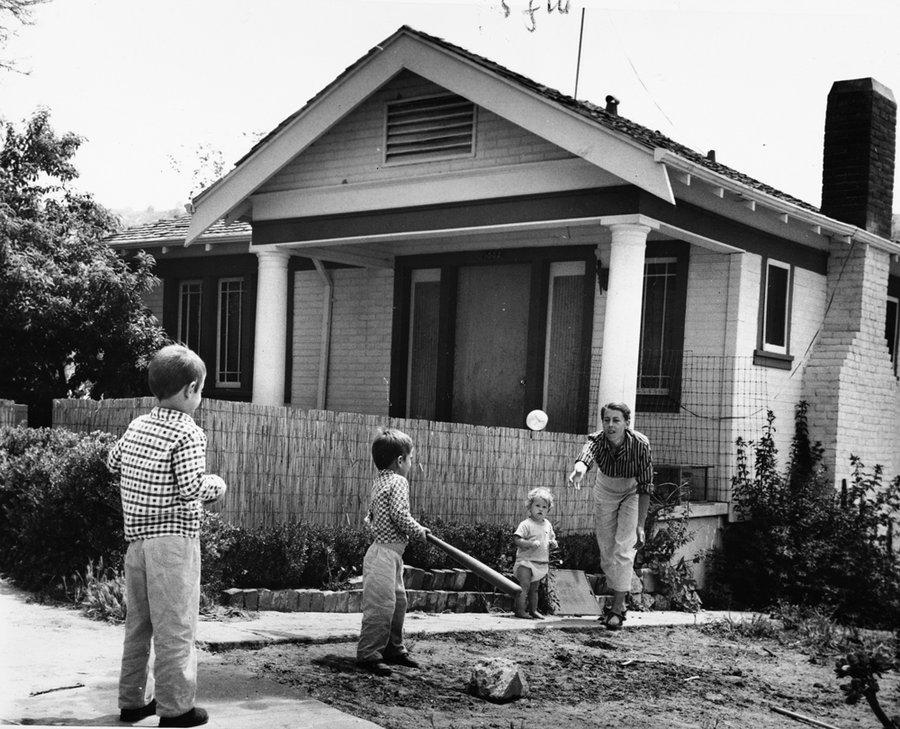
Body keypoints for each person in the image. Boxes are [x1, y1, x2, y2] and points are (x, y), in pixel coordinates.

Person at [108, 344, 227, 728]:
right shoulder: (188, 432)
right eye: (201, 389)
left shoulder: (137, 425)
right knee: (176, 626)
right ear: (191, 389)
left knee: (138, 624)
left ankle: (132, 702)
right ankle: (176, 709)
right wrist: (217, 484)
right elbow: (191, 487)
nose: (201, 396)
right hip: (173, 544)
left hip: (137, 544)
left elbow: (113, 460)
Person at [567, 401, 653, 631]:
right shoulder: (597, 440)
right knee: (607, 553)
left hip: (632, 492)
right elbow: (586, 455)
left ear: (627, 423)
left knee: (623, 549)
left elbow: (646, 486)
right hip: (605, 490)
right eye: (606, 420)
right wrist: (579, 469)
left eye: (616, 420)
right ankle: (620, 601)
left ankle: (616, 608)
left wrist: (641, 525)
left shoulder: (640, 444)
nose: (610, 425)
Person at [356, 427, 429, 676]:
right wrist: (419, 530)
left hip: (389, 555)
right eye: (410, 459)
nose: (411, 464)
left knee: (398, 603)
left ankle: (393, 649)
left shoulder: (380, 481)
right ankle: (368, 654)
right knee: (381, 606)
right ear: (400, 460)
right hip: (384, 556)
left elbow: (375, 515)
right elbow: (399, 514)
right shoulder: (398, 481)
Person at [512, 487, 558, 619]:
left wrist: (553, 543)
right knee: (524, 587)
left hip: (540, 563)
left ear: (548, 510)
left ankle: (533, 610)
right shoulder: (526, 524)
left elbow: (551, 538)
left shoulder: (547, 525)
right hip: (525, 562)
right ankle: (520, 610)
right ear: (530, 507)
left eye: (544, 507)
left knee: (535, 589)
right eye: (537, 506)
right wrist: (530, 544)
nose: (540, 509)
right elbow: (517, 539)